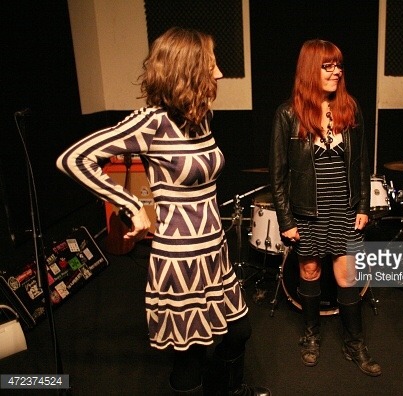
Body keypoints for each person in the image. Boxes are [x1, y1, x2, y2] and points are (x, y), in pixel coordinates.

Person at [57, 27, 270, 396]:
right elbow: (73, 158)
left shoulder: (202, 117)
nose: (219, 74)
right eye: (211, 65)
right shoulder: (151, 123)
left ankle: (227, 389)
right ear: (186, 70)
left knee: (239, 331)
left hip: (214, 252)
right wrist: (130, 205)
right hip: (180, 259)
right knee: (190, 358)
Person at [269, 39, 381, 377]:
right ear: (309, 69)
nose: (335, 72)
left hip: (344, 208)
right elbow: (277, 175)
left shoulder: (351, 108)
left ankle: (355, 342)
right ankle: (312, 335)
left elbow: (361, 163)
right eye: (327, 66)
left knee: (348, 276)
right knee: (310, 273)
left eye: (339, 66)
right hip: (307, 211)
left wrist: (363, 204)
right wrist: (286, 218)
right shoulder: (288, 114)